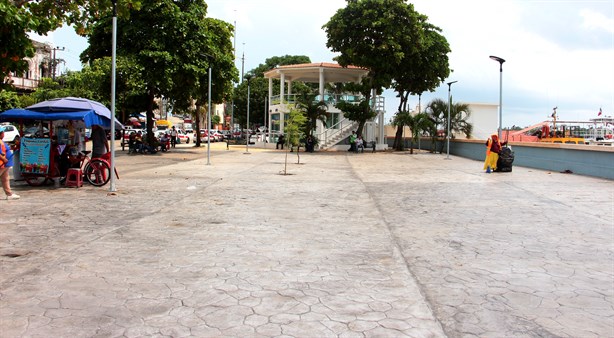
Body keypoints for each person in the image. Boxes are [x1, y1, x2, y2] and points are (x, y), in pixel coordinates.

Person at [0, 126, 19, 199]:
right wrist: (4, 159)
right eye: (3, 132)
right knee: (5, 179)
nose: (4, 134)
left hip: (6, 165)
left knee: (5, 179)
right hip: (2, 164)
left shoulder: (1, 141)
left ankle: (9, 194)